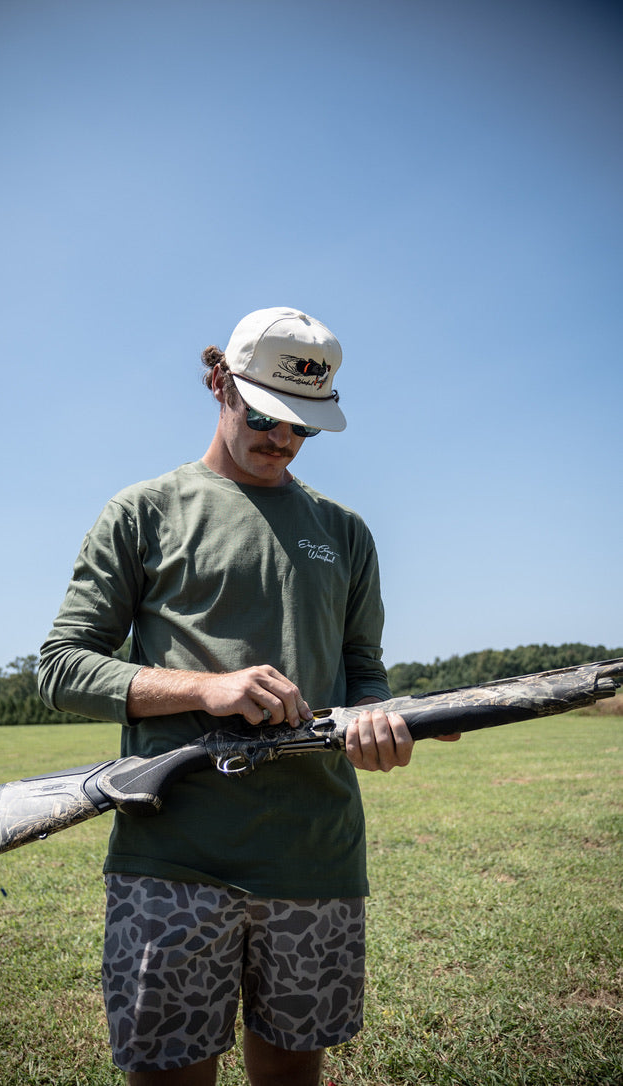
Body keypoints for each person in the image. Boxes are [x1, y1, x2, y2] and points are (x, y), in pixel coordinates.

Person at [38, 307, 452, 1086]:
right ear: (220, 382)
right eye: (266, 418)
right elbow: (62, 666)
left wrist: (378, 717)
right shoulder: (143, 512)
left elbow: (364, 669)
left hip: (316, 858)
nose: (283, 441)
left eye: (305, 428)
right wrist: (207, 687)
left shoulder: (347, 531)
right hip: (172, 860)